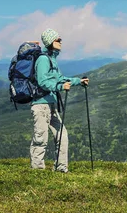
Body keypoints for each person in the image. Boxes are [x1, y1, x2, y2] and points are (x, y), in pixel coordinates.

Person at [30, 28, 89, 173]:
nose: (61, 42)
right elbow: (42, 81)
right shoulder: (43, 59)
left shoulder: (52, 59)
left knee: (62, 135)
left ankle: (61, 168)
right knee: (41, 138)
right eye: (58, 40)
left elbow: (60, 79)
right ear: (50, 42)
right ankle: (37, 171)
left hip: (51, 104)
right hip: (41, 104)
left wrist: (78, 81)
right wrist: (60, 86)